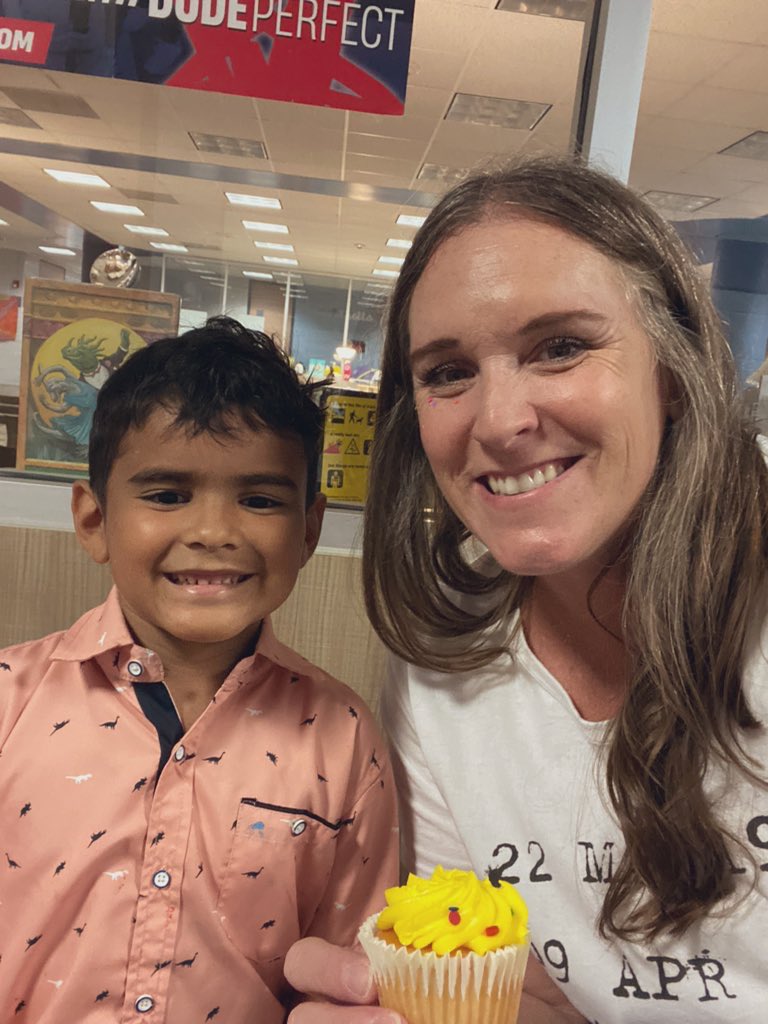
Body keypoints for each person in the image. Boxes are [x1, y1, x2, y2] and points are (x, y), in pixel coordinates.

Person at [283, 157, 768, 1023]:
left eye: (561, 347)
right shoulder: (445, 664)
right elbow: (527, 999)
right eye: (446, 372)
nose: (500, 422)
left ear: (674, 363)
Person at [0, 317, 398, 1023]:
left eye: (260, 499)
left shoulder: (341, 739)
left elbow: (348, 973)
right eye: (166, 494)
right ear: (93, 520)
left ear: (308, 529)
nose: (214, 531)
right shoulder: (9, 701)